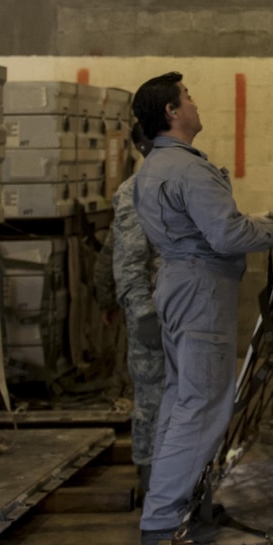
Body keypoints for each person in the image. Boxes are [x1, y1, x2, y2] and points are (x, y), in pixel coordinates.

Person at [131, 72, 273, 545]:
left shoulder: (153, 169)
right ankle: (163, 518)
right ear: (171, 112)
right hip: (202, 289)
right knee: (202, 405)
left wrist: (255, 223)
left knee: (184, 400)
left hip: (178, 285)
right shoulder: (188, 169)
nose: (196, 104)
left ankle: (171, 506)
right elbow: (225, 235)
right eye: (189, 98)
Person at [105, 128, 163, 496]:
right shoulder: (135, 191)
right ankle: (149, 480)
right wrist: (143, 315)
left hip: (175, 312)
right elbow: (128, 263)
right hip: (151, 314)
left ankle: (172, 482)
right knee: (150, 399)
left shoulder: (167, 185)